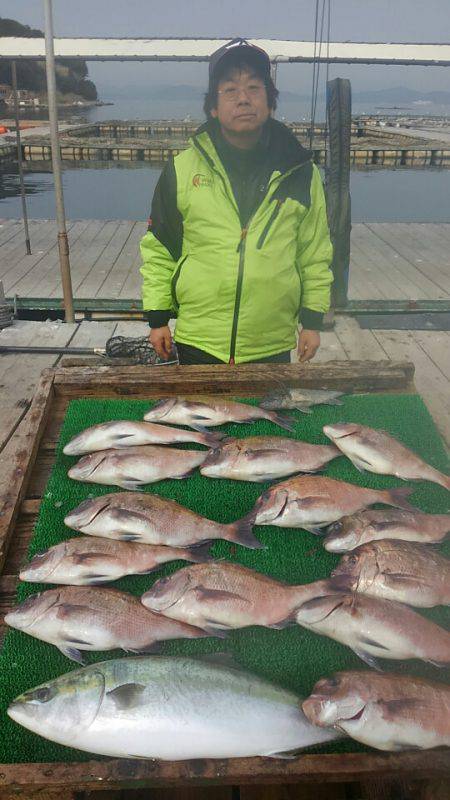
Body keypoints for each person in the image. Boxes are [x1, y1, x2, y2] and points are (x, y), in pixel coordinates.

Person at [140, 38, 333, 365]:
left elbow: (314, 252)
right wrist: (158, 318)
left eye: (254, 88)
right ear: (213, 107)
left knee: (266, 417)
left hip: (270, 341)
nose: (243, 98)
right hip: (199, 339)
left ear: (270, 102)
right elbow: (161, 247)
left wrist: (312, 322)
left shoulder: (302, 172)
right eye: (230, 89)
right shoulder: (181, 170)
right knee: (198, 417)